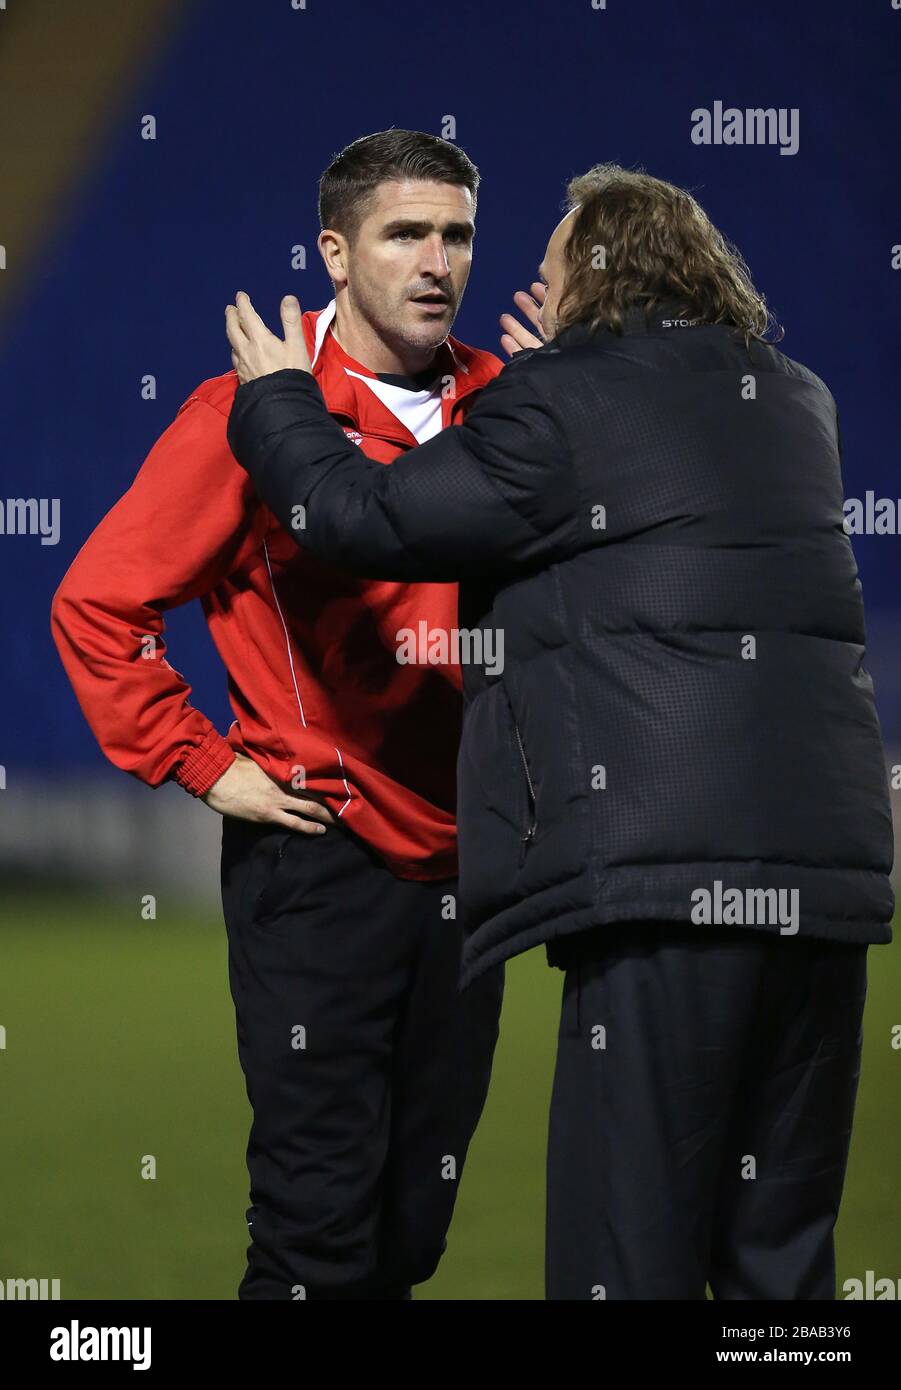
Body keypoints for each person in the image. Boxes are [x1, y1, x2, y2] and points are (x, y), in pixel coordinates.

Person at [224, 164, 895, 1301]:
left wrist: (280, 399)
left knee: (624, 1252)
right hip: (823, 888)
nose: (519, 289)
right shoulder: (792, 400)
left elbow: (363, 515)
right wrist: (572, 375)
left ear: (586, 282)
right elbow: (650, 488)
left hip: (661, 894)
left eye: (542, 272)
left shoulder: (561, 406)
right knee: (779, 1262)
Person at [51, 129, 505, 1300]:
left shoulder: (506, 406)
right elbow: (99, 606)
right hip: (320, 859)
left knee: (411, 1237)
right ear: (335, 251)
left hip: (474, 872)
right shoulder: (254, 413)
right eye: (403, 233)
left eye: (455, 234)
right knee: (316, 1237)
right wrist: (203, 764)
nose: (434, 261)